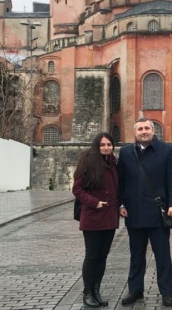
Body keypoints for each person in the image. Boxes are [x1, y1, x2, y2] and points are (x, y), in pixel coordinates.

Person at [118, 117, 172, 307]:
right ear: (135, 132)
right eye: (140, 129)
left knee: (163, 257)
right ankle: (135, 290)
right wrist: (120, 204)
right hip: (134, 212)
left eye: (147, 128)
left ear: (153, 131)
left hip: (158, 213)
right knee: (136, 256)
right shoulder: (126, 152)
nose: (144, 132)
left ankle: (166, 292)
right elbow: (120, 181)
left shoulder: (167, 150)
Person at [72, 132, 119, 308]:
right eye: (102, 145)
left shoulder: (114, 163)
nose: (106, 148)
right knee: (92, 256)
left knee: (102, 257)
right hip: (93, 217)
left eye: (109, 144)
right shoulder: (88, 162)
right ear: (96, 146)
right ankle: (88, 292)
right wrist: (94, 202)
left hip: (110, 217)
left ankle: (96, 290)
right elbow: (77, 189)